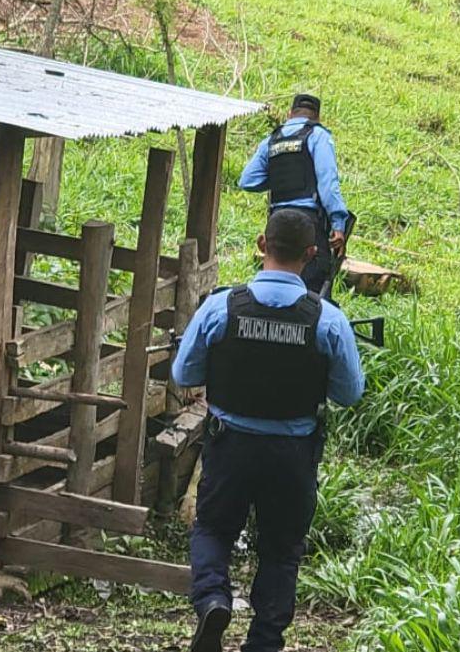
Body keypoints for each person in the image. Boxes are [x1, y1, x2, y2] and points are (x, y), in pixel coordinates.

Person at [172, 209, 365, 652]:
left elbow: (184, 374)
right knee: (281, 550)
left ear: (262, 244)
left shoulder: (221, 307)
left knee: (213, 530)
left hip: (230, 445)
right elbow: (349, 393)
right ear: (311, 254)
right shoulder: (327, 320)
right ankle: (263, 641)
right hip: (293, 453)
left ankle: (213, 600)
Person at [238, 93, 349, 296]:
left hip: (277, 223)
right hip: (308, 224)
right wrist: (338, 224)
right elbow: (328, 184)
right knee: (312, 294)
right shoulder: (318, 135)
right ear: (317, 117)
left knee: (274, 286)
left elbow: (247, 180)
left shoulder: (272, 139)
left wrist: (283, 178)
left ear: (290, 114)